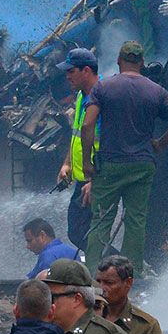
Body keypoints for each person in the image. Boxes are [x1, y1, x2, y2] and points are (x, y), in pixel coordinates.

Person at [80, 41, 168, 271]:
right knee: (136, 221)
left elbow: (88, 124)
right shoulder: (156, 90)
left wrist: (87, 161)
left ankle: (91, 274)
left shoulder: (103, 88)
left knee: (101, 220)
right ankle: (131, 274)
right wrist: (160, 144)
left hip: (109, 166)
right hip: (142, 165)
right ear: (141, 62)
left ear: (119, 61)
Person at [56, 48, 100, 251]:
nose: (67, 76)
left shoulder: (101, 98)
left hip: (95, 178)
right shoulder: (82, 97)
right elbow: (76, 135)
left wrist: (95, 180)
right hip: (82, 178)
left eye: (71, 71)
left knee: (83, 232)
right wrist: (67, 163)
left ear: (86, 71)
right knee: (79, 231)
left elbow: (107, 142)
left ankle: (121, 268)